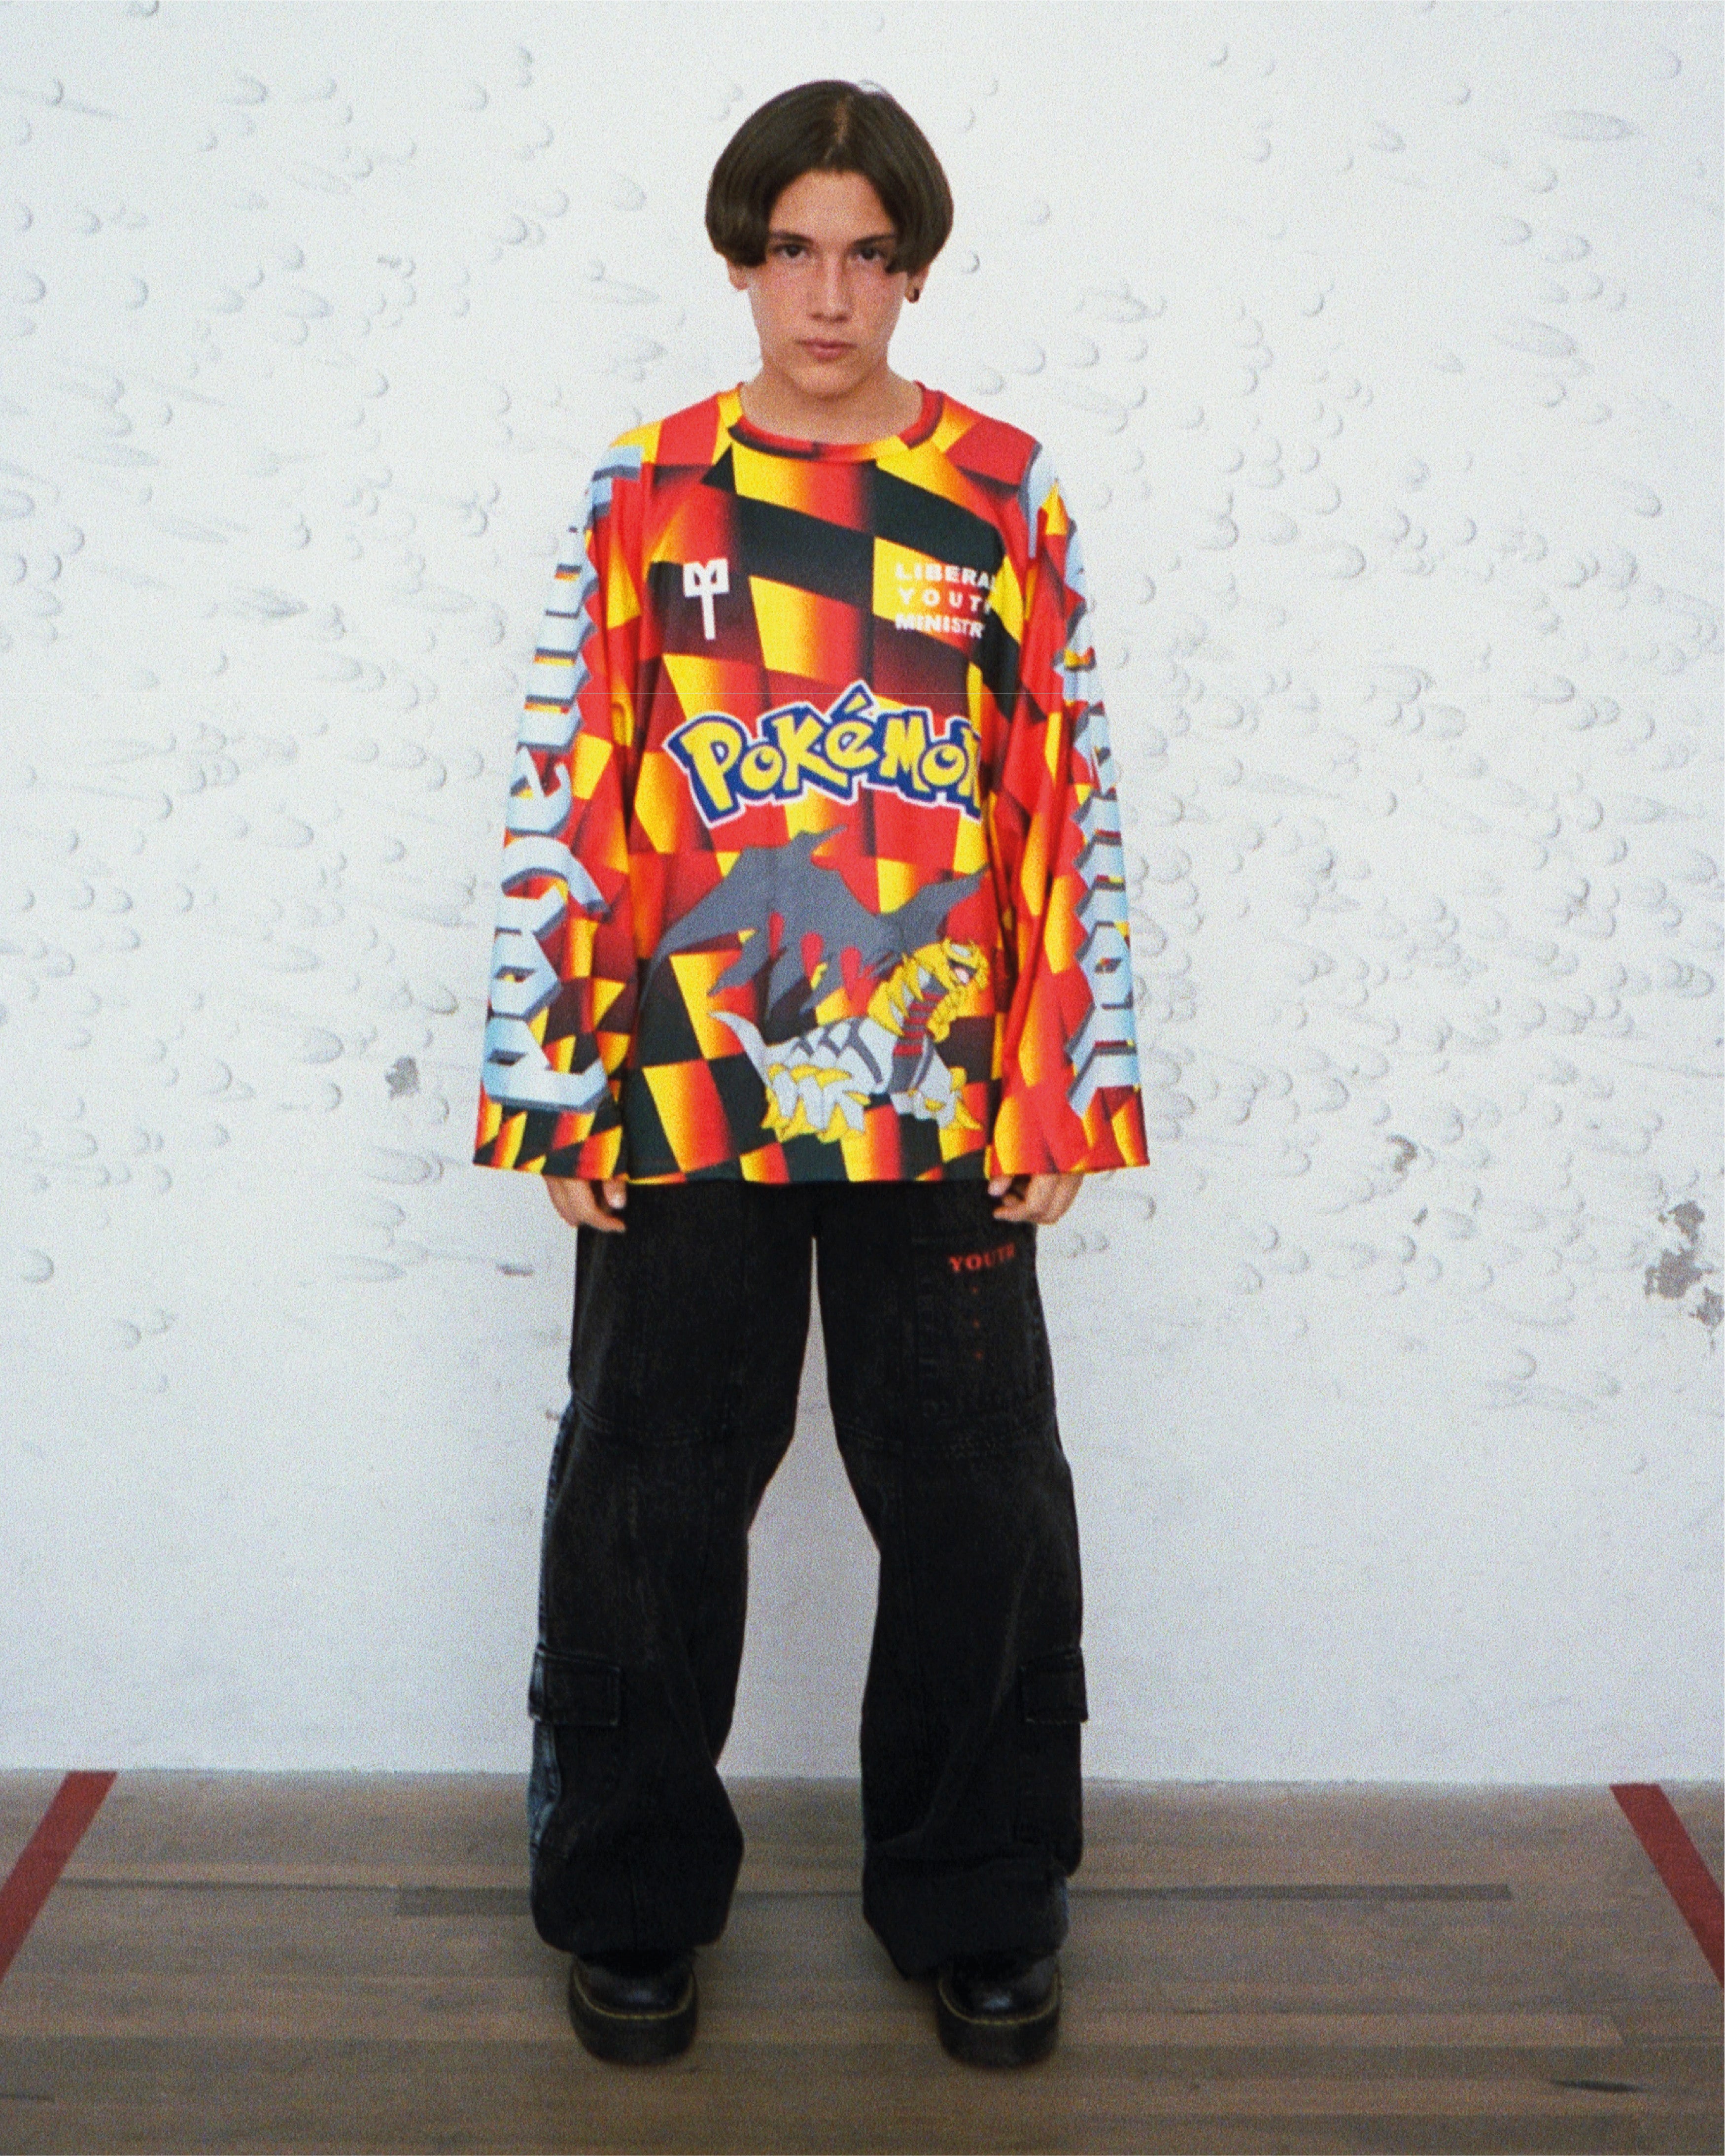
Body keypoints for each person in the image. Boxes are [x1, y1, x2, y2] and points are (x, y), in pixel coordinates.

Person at [473, 78, 1147, 2069]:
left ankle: (979, 1898)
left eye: (865, 254)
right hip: (690, 1080)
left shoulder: (1001, 491)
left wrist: (1067, 1082)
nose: (827, 295)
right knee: (646, 1498)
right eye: (791, 251)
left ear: (912, 271)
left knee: (978, 1504)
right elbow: (575, 783)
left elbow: (1058, 785)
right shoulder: (646, 489)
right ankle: (626, 1895)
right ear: (739, 261)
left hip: (941, 1084)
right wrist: (552, 1082)